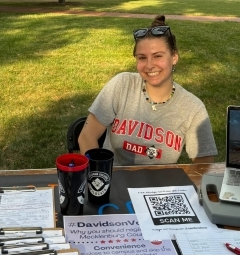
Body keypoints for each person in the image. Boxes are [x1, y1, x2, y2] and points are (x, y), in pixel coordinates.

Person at [78, 15, 218, 166]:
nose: (149, 65)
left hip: (161, 188)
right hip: (114, 181)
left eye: (157, 56)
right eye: (142, 58)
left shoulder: (192, 108)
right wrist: (100, 177)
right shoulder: (122, 85)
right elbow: (86, 137)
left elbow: (204, 166)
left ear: (174, 57)